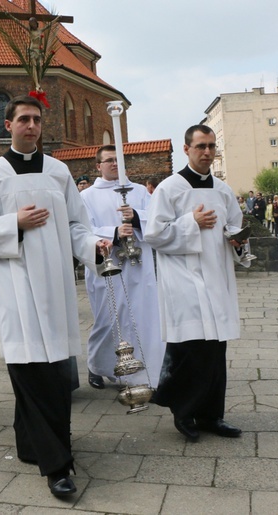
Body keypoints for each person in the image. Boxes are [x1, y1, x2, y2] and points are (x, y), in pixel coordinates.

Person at [0, 95, 112, 497]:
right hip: (18, 288)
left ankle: (32, 444)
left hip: (57, 285)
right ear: (7, 125)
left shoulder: (59, 171)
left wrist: (94, 245)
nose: (31, 125)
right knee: (31, 372)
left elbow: (78, 225)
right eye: (23, 119)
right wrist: (15, 223)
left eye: (36, 120)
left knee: (53, 374)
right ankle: (58, 465)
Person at [144, 124, 248, 443]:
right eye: (200, 146)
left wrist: (238, 243)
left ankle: (211, 415)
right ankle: (184, 413)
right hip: (183, 281)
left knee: (215, 351)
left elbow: (236, 227)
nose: (206, 152)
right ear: (186, 149)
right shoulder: (169, 189)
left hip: (215, 277)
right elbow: (154, 235)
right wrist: (192, 222)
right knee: (191, 350)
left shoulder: (222, 190)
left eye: (211, 146)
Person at [80, 145, 165, 391]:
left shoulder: (138, 191)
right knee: (109, 319)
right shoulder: (87, 196)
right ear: (98, 166)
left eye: (118, 160)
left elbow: (157, 219)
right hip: (108, 265)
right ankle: (97, 366)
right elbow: (83, 230)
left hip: (138, 265)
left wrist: (137, 217)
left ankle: (140, 372)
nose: (114, 165)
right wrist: (114, 232)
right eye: (108, 161)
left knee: (141, 316)